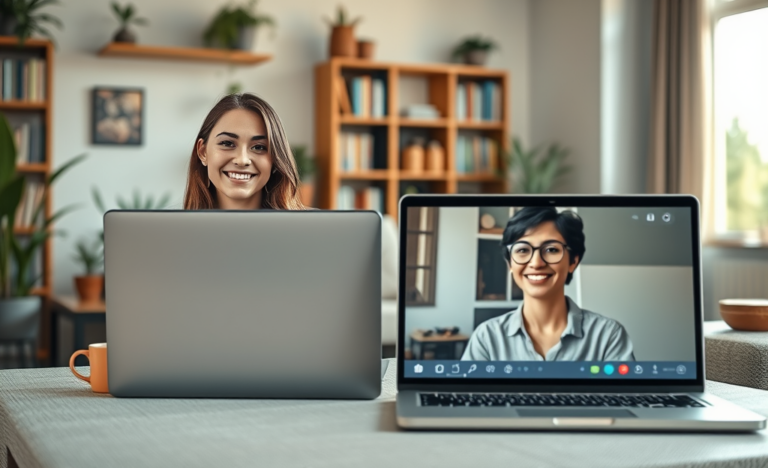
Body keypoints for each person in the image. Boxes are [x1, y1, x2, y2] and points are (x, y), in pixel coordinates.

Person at [461, 207, 635, 362]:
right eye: (522, 250)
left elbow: (624, 396)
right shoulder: (487, 337)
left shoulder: (607, 336)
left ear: (573, 261)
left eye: (551, 250)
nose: (536, 263)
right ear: (510, 264)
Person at [183, 93, 305, 210]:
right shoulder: (176, 230)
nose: (242, 160)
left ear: (275, 158)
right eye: (227, 143)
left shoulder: (306, 230)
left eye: (259, 147)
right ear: (203, 152)